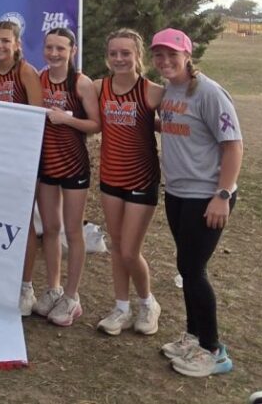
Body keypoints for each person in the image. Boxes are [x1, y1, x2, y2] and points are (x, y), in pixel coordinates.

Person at [151, 28, 242, 378]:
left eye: (172, 55)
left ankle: (214, 350)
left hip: (207, 195)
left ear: (188, 55)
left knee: (193, 268)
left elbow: (232, 145)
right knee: (187, 267)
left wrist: (223, 194)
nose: (165, 61)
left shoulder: (209, 92)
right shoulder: (169, 90)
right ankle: (193, 336)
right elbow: (176, 126)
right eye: (159, 55)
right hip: (177, 192)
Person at [94, 29, 164, 336]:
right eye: (113, 53)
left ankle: (148, 303)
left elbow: (179, 121)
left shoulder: (154, 92)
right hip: (110, 176)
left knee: (129, 251)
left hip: (141, 179)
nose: (119, 59)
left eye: (126, 53)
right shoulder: (99, 87)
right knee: (117, 245)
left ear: (138, 56)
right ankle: (121, 308)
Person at [33, 28, 101, 326]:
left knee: (73, 231)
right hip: (47, 163)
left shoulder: (81, 83)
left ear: (73, 50)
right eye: (49, 47)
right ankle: (54, 288)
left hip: (74, 165)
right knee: (50, 229)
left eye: (60, 48)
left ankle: (72, 297)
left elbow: (96, 124)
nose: (54, 53)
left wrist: (66, 119)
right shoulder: (39, 78)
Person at [0, 20, 44, 317]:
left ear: (17, 44)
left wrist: (26, 156)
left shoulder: (25, 72)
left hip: (23, 157)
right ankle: (4, 278)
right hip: (0, 156)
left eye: (5, 41)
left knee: (24, 222)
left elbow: (38, 117)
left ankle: (26, 287)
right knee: (2, 219)